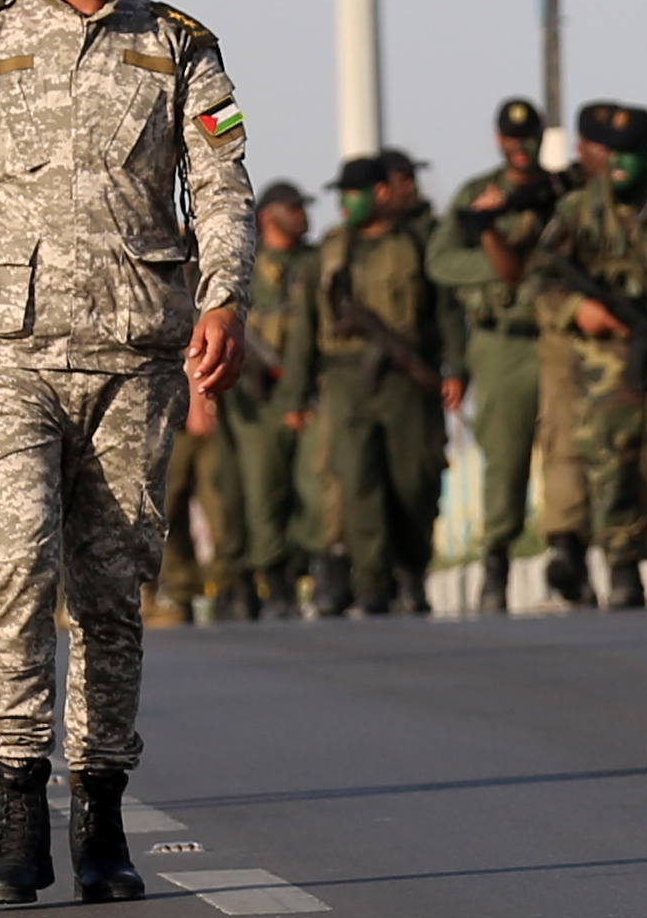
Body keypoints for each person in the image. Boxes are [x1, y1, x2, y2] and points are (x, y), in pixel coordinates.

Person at [0, 0, 252, 909]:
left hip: (131, 357)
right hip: (2, 353)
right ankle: (17, 802)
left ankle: (100, 808)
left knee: (109, 591)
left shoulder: (180, 47)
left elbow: (224, 186)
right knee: (15, 560)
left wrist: (226, 296)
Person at [539, 102, 647, 607]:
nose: (618, 163)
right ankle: (622, 561)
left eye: (630, 153)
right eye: (612, 153)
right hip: (606, 357)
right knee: (615, 460)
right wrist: (579, 309)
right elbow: (541, 280)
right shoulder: (577, 213)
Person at [314, 149, 457, 615]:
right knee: (357, 480)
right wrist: (297, 393)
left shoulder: (416, 243)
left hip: (405, 380)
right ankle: (373, 579)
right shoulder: (331, 250)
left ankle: (412, 568)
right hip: (346, 379)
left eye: (354, 193)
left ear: (379, 193)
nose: (345, 203)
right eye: (342, 195)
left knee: (413, 479)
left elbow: (446, 312)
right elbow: (307, 327)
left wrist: (456, 369)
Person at [449, 98, 562, 607]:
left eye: (530, 137)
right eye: (512, 138)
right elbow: (440, 261)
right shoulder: (475, 195)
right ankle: (496, 560)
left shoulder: (557, 191)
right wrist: (498, 262)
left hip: (554, 336)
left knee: (567, 449)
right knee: (505, 459)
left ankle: (568, 552)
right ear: (499, 140)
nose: (521, 147)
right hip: (499, 344)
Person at [212, 184, 316, 618]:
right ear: (269, 216)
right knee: (262, 489)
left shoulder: (312, 263)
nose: (303, 215)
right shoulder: (244, 269)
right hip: (255, 398)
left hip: (306, 391)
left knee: (311, 486)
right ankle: (273, 578)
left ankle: (301, 567)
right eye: (293, 208)